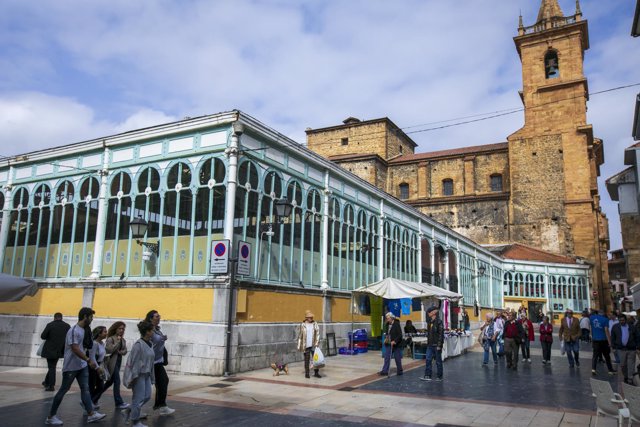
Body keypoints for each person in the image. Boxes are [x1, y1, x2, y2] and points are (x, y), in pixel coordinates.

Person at [45, 307, 106, 425]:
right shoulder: (74, 331)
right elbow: (75, 348)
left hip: (81, 365)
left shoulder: (83, 330)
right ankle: (51, 416)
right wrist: (88, 360)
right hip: (71, 367)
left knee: (85, 389)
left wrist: (88, 362)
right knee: (63, 390)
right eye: (91, 317)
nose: (92, 319)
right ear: (85, 317)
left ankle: (91, 414)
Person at [123, 321, 156, 427]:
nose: (153, 332)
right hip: (139, 375)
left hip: (146, 374)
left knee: (147, 396)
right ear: (147, 332)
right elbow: (134, 361)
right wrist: (134, 377)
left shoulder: (150, 344)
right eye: (152, 330)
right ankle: (135, 422)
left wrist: (152, 376)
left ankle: (128, 410)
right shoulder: (138, 345)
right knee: (138, 398)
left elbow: (151, 362)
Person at [145, 310, 175, 416]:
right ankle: (132, 409)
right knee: (145, 390)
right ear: (150, 318)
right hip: (151, 362)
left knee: (163, 381)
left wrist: (162, 339)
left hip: (158, 361)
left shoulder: (157, 329)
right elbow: (147, 344)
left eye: (159, 316)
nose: (159, 318)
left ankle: (162, 406)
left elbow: (158, 342)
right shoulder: (149, 331)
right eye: (156, 316)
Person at [94, 321, 130, 410]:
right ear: (115, 329)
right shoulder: (111, 339)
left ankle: (93, 398)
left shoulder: (123, 339)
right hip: (111, 363)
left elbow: (125, 351)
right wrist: (117, 343)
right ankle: (119, 402)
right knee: (117, 382)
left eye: (123, 329)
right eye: (120, 328)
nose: (121, 330)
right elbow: (109, 350)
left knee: (108, 383)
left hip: (118, 362)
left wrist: (120, 351)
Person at [40, 312, 70, 391]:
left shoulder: (50, 325)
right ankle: (46, 382)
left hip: (49, 350)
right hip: (60, 350)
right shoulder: (67, 326)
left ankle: (51, 385)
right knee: (52, 366)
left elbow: (43, 336)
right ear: (61, 317)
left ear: (54, 317)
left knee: (52, 367)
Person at [610, 314, 636, 385]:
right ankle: (626, 376)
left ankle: (630, 379)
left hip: (631, 349)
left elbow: (637, 336)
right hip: (621, 349)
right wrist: (613, 347)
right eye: (620, 320)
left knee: (631, 364)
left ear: (626, 320)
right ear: (618, 320)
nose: (622, 322)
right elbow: (613, 337)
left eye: (623, 320)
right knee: (623, 365)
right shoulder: (615, 327)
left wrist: (637, 347)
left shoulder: (632, 327)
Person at [420, 306, 444, 381]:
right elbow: (429, 333)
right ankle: (427, 375)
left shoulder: (439, 322)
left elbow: (441, 334)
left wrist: (439, 345)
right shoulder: (429, 322)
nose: (428, 314)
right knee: (428, 359)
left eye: (429, 312)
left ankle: (439, 376)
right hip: (430, 345)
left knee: (438, 361)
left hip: (436, 345)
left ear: (433, 312)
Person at [590, 309, 616, 376]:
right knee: (607, 356)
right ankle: (610, 370)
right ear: (603, 313)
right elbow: (606, 330)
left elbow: (591, 327)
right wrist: (610, 342)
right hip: (603, 340)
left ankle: (593, 369)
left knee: (595, 356)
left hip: (595, 340)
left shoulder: (592, 318)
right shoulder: (605, 320)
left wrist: (591, 335)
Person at [296, 310, 320, 379]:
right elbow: (300, 335)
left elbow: (318, 333)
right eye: (310, 317)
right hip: (305, 345)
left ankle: (316, 372)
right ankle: (307, 373)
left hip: (313, 344)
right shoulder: (303, 325)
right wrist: (299, 345)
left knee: (315, 359)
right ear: (306, 317)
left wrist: (317, 342)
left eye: (312, 317)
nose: (311, 318)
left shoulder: (315, 324)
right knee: (307, 359)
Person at [88, 326, 107, 408]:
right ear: (99, 334)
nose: (106, 333)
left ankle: (91, 402)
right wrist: (97, 368)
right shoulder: (94, 343)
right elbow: (92, 357)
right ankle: (89, 404)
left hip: (99, 365)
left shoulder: (102, 343)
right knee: (92, 386)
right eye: (104, 332)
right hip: (94, 367)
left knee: (101, 386)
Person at [380, 312, 403, 376]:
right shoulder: (387, 324)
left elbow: (400, 335)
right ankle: (385, 371)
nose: (387, 320)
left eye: (388, 318)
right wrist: (386, 339)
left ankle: (400, 370)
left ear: (392, 318)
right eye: (387, 318)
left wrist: (395, 341)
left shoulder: (396, 324)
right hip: (389, 343)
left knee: (397, 358)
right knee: (387, 357)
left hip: (396, 344)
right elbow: (387, 333)